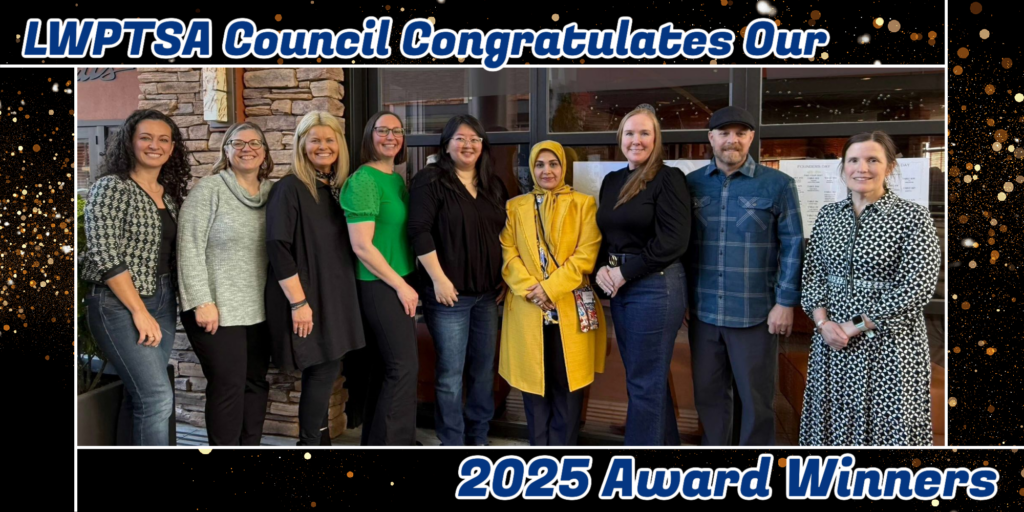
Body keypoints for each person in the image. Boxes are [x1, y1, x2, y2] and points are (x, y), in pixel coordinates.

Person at [799, 131, 940, 446]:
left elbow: (916, 287)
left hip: (888, 344)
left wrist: (854, 326)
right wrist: (823, 324)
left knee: (886, 427)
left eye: (872, 159)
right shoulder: (828, 216)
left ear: (889, 167)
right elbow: (813, 277)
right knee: (832, 422)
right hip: (832, 341)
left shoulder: (912, 218)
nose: (862, 168)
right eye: (853, 160)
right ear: (843, 166)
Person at [685, 105, 804, 446]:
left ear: (751, 137)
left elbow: (793, 245)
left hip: (755, 314)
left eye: (740, 133)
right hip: (704, 312)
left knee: (756, 402)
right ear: (711, 138)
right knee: (708, 396)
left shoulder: (778, 185)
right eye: (724, 133)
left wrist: (785, 302)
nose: (731, 141)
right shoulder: (691, 185)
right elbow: (681, 245)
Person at [81, 109, 192, 445]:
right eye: (145, 137)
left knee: (140, 396)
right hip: (118, 303)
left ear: (172, 148)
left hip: (162, 299)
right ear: (130, 142)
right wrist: (139, 311)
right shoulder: (111, 187)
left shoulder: (167, 195)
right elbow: (104, 254)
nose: (154, 145)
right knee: (157, 398)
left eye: (163, 139)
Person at [265, 111, 366, 446]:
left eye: (329, 139)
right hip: (307, 296)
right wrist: (299, 302)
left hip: (335, 295)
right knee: (321, 370)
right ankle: (309, 445)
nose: (323, 146)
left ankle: (319, 442)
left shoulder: (337, 189)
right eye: (315, 140)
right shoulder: (289, 188)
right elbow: (278, 248)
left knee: (327, 370)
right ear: (301, 144)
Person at [407, 115, 509, 446]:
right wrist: (437, 279)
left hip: (488, 296)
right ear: (447, 145)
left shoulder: (493, 184)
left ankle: (478, 437)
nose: (468, 145)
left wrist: (506, 278)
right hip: (449, 297)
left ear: (483, 145)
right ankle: (452, 439)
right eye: (460, 139)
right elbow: (418, 231)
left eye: (475, 139)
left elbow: (506, 236)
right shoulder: (431, 180)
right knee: (451, 375)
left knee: (482, 372)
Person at [593, 106, 691, 446]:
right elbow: (605, 236)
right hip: (622, 288)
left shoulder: (669, 178)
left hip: (656, 287)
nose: (637, 140)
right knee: (648, 380)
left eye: (644, 133)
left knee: (644, 383)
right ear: (620, 138)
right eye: (630, 133)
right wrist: (602, 271)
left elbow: (673, 242)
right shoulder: (612, 180)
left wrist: (623, 273)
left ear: (656, 138)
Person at [500, 141, 606, 445]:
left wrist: (548, 288)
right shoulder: (515, 206)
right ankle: (540, 453)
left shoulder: (583, 204)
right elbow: (508, 254)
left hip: (568, 308)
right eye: (539, 165)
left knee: (568, 384)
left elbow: (585, 256)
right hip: (528, 309)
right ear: (531, 169)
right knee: (533, 385)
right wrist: (531, 290)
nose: (547, 170)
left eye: (553, 164)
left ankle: (563, 453)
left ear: (563, 167)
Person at [176, 122, 275, 445]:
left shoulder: (273, 193)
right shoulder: (210, 190)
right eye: (238, 142)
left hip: (259, 310)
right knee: (228, 385)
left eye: (255, 142)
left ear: (265, 152)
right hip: (216, 309)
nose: (247, 148)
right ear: (226, 151)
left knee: (256, 383)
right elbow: (188, 247)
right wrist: (201, 301)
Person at [341, 111, 419, 445]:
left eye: (397, 130)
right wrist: (401, 286)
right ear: (368, 136)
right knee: (403, 368)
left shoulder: (395, 179)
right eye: (382, 130)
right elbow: (361, 246)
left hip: (399, 280)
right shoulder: (363, 181)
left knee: (385, 368)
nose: (391, 136)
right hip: (379, 286)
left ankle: (378, 440)